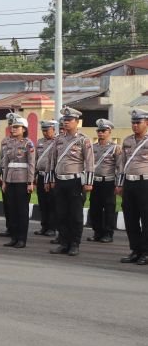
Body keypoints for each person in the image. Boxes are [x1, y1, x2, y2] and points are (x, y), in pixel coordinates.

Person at [44, 107, 94, 256]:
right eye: (64, 120)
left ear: (77, 122)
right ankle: (64, 243)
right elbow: (51, 160)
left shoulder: (83, 140)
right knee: (61, 213)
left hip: (75, 181)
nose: (66, 123)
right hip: (60, 181)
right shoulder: (58, 139)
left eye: (69, 120)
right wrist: (49, 179)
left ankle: (74, 244)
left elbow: (90, 163)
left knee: (75, 215)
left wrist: (89, 182)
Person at [116, 108, 148, 265]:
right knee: (131, 218)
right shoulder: (127, 141)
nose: (135, 125)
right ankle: (135, 250)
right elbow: (122, 164)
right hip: (129, 183)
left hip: (145, 183)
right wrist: (120, 184)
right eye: (133, 122)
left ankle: (146, 252)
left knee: (146, 218)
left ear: (146, 123)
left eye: (138, 122)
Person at [0, 115, 35, 248]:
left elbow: (31, 164)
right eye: (12, 127)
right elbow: (6, 162)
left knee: (21, 211)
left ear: (24, 129)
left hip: (22, 180)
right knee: (12, 209)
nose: (13, 129)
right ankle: (13, 237)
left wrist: (30, 182)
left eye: (16, 127)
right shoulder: (8, 143)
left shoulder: (28, 143)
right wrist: (4, 181)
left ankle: (21, 239)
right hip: (10, 180)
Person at [88, 119, 120, 243]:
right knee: (95, 208)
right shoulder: (92, 147)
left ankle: (108, 233)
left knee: (108, 209)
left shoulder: (115, 148)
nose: (100, 133)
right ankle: (97, 232)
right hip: (95, 182)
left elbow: (119, 167)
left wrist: (118, 184)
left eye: (103, 130)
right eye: (99, 130)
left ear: (109, 132)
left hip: (108, 181)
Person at [33, 121, 58, 238]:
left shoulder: (57, 142)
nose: (45, 133)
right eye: (43, 130)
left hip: (52, 176)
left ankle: (52, 227)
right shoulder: (40, 142)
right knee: (42, 203)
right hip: (41, 175)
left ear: (53, 129)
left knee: (52, 202)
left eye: (47, 130)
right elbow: (35, 160)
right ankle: (44, 226)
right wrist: (33, 176)